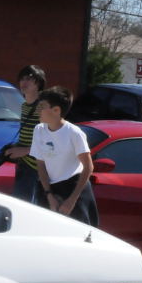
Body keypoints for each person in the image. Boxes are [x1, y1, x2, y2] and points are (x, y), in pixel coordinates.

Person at [30, 86, 98, 226]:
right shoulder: (39, 130)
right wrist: (49, 195)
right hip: (50, 189)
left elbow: (88, 167)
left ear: (56, 110)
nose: (38, 110)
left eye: (42, 106)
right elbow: (41, 164)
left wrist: (71, 200)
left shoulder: (74, 133)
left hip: (74, 189)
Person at [4, 64, 46, 202]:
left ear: (39, 83)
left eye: (29, 78)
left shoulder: (44, 107)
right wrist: (15, 148)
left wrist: (25, 150)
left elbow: (52, 141)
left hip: (38, 169)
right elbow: (28, 135)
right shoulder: (24, 106)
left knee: (29, 209)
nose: (24, 82)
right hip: (24, 165)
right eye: (22, 79)